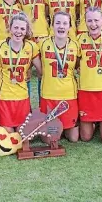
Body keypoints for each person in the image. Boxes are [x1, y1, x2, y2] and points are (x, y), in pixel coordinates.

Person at [0, 13, 42, 132]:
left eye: (22, 28)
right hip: (3, 95)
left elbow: (41, 71)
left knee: (22, 132)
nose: (18, 31)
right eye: (16, 28)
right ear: (10, 28)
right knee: (8, 133)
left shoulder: (31, 47)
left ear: (26, 31)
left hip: (22, 94)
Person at [76, 7, 102, 145]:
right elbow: (75, 62)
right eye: (89, 21)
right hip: (86, 90)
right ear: (85, 22)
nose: (93, 24)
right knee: (85, 137)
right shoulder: (79, 39)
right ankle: (94, 123)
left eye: (96, 20)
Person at [40, 12, 80, 142]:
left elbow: (80, 66)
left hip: (68, 95)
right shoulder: (42, 44)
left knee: (73, 138)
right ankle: (53, 127)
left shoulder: (76, 45)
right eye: (57, 23)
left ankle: (63, 126)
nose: (61, 26)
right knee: (49, 140)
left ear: (70, 26)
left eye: (65, 23)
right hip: (49, 95)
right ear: (52, 25)